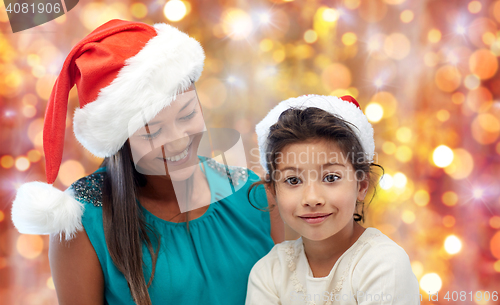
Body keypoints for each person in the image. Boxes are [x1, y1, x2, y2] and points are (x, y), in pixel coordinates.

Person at [11, 19, 284, 305]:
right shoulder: (82, 222)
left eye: (188, 114)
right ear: (120, 139)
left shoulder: (253, 196)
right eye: (152, 130)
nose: (178, 141)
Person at [245, 95, 421, 304]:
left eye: (331, 177)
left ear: (361, 186)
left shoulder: (383, 264)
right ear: (273, 191)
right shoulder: (269, 272)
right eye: (293, 180)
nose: (312, 198)